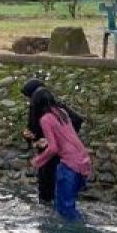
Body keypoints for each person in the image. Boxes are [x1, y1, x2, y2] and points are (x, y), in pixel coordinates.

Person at [30, 88, 93, 221]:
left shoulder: (45, 119)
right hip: (84, 160)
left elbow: (53, 148)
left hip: (70, 165)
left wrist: (38, 161)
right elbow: (66, 136)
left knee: (64, 211)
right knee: (69, 206)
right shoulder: (62, 112)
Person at [20, 79, 84, 204]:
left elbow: (33, 131)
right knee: (61, 193)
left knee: (46, 190)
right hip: (64, 156)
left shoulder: (38, 110)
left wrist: (31, 137)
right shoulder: (59, 109)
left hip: (49, 154)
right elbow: (77, 121)